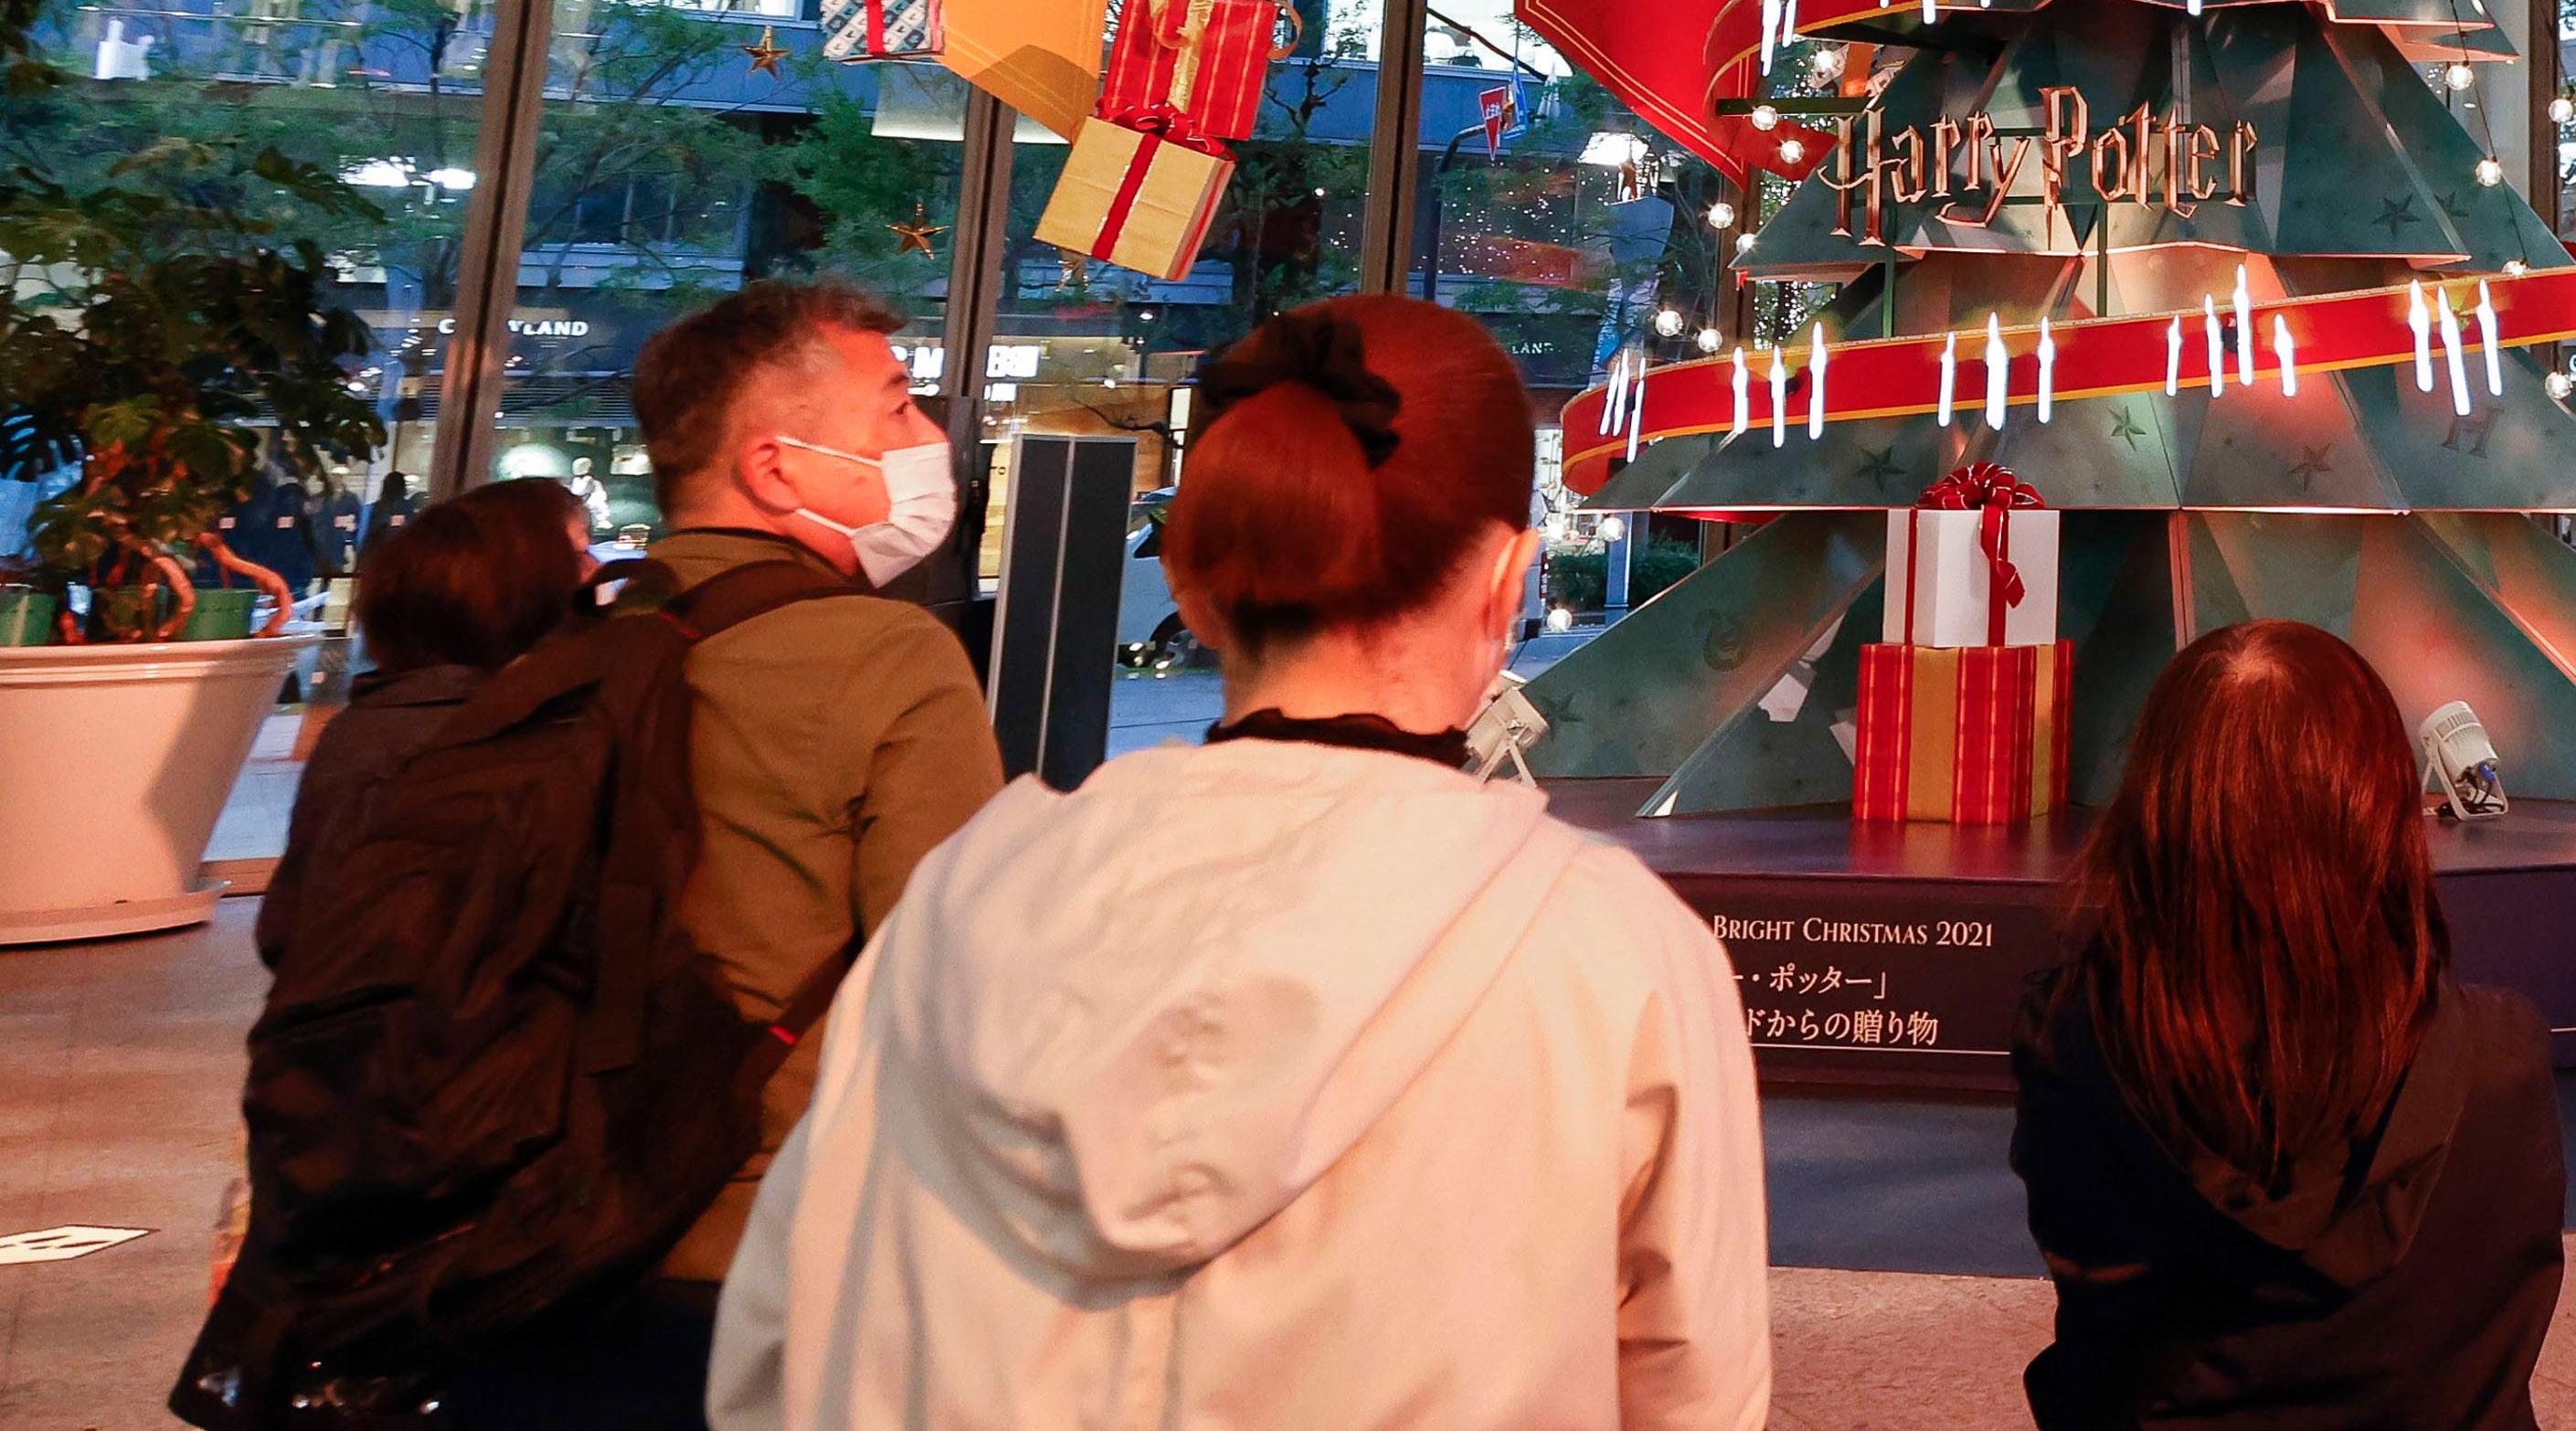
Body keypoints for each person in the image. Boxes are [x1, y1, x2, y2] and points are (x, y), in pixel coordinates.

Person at [713, 296, 1768, 1431]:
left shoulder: (965, 899)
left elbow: (781, 1345)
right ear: (1509, 584)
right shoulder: (1613, 946)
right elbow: (1693, 1393)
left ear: (1193, 585)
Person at [414, 284, 1005, 1426]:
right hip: (759, 1245)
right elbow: (953, 984)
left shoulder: (569, 645)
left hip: (520, 1229)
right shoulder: (887, 654)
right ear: (778, 467)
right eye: (894, 410)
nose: (928, 441)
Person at [2010, 620, 2563, 1428]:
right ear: (2378, 802)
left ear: (2156, 802)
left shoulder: (2074, 1038)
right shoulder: (2503, 1054)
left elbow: (2099, 1336)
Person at [255, 478, 588, 974]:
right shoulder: (496, 740)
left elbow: (284, 926)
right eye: (576, 557)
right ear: (516, 587)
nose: (596, 573)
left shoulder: (372, 721)